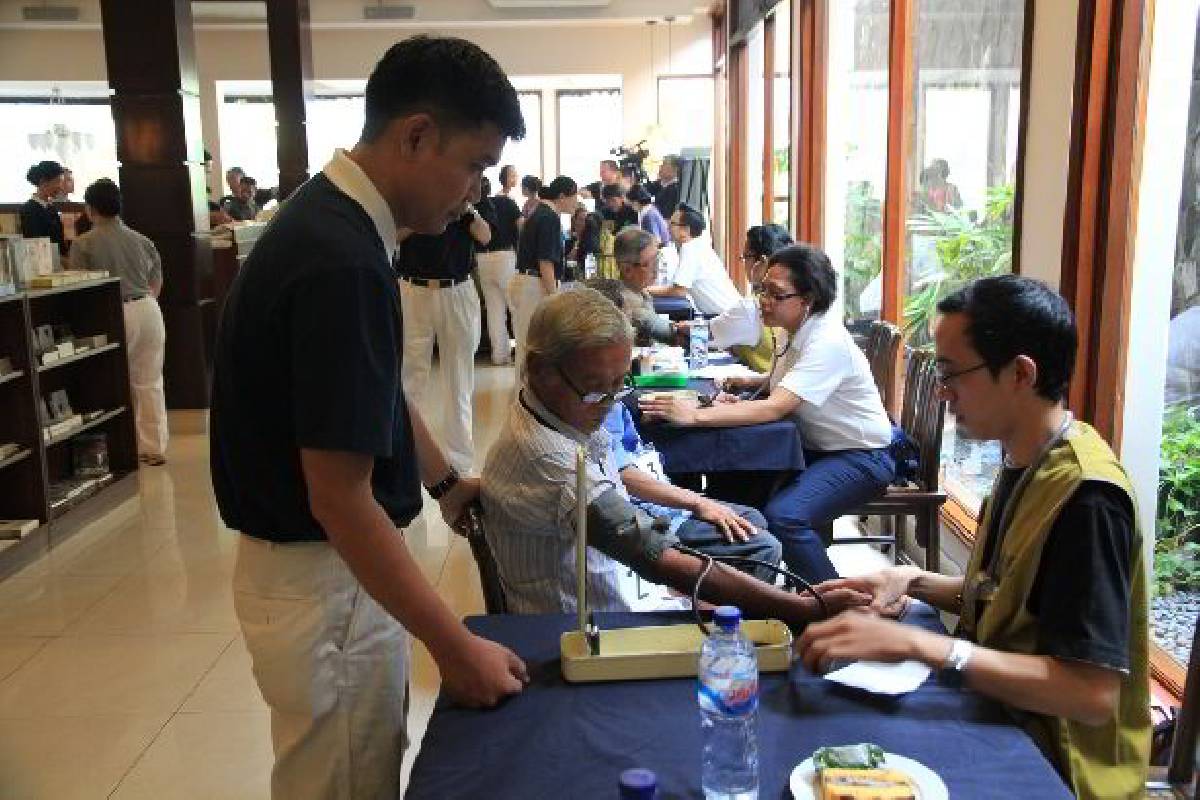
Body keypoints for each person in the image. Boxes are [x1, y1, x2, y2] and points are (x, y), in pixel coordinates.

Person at [209, 36, 530, 800]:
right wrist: (454, 648)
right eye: (474, 166)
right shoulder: (340, 260)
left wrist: (447, 480)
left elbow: (377, 391)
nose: (474, 194)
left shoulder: (337, 225)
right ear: (416, 135)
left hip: (327, 576)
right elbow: (339, 498)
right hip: (329, 580)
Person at [797, 276, 1150, 800]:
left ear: (1020, 373)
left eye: (951, 373)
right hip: (1004, 714)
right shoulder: (1028, 460)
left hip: (1056, 765)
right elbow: (1008, 595)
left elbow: (1090, 694)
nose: (941, 392)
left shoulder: (1087, 498)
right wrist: (909, 579)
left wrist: (924, 644)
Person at [480, 287, 865, 619]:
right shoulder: (552, 461)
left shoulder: (550, 412)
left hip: (610, 598)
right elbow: (653, 554)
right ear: (540, 369)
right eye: (596, 389)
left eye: (619, 387)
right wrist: (795, 606)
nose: (607, 405)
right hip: (584, 630)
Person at [641, 244, 896, 583]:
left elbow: (777, 407)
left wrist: (695, 415)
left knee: (785, 516)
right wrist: (749, 389)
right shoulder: (793, 332)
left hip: (862, 457)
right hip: (816, 449)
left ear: (807, 299)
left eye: (776, 294)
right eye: (762, 290)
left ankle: (831, 606)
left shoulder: (826, 340)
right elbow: (785, 386)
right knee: (741, 486)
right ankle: (743, 589)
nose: (764, 300)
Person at [69, 179, 168, 466]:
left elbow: (80, 287)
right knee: (149, 381)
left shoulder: (83, 243)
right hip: (149, 309)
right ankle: (154, 447)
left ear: (90, 208)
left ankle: (120, 448)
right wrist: (147, 300)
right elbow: (156, 279)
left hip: (113, 313)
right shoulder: (141, 240)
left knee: (112, 382)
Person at [396, 182, 492, 477]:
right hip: (414, 288)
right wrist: (422, 216)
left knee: (459, 379)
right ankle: (405, 457)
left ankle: (460, 462)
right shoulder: (411, 200)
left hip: (457, 289)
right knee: (410, 377)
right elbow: (391, 235)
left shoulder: (464, 206)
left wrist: (464, 211)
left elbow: (486, 237)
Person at [507, 175, 577, 369]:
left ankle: (523, 396)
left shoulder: (541, 213)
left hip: (526, 282)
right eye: (575, 197)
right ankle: (523, 397)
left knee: (526, 345)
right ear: (563, 196)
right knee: (531, 346)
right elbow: (545, 262)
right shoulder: (548, 217)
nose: (576, 203)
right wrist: (555, 297)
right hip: (533, 284)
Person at [709, 224, 794, 373]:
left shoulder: (752, 307)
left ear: (762, 262)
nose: (766, 303)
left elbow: (706, 335)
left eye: (745, 257)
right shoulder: (794, 303)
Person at [649, 203, 740, 315]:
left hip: (727, 317)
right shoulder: (697, 245)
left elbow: (679, 291)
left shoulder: (690, 249)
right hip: (725, 314)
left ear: (686, 230)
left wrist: (645, 290)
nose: (667, 226)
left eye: (672, 223)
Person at [475, 175, 521, 366]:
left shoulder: (474, 208)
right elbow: (521, 227)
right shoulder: (507, 203)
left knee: (494, 309)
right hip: (505, 257)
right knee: (516, 307)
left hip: (482, 258)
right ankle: (521, 354)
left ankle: (499, 356)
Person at [609, 226, 683, 345]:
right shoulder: (627, 301)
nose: (656, 268)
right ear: (627, 270)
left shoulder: (639, 291)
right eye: (649, 263)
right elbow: (674, 335)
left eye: (657, 259)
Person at [20, 160, 68, 257]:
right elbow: (35, 243)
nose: (60, 187)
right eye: (57, 181)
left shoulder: (51, 208)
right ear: (43, 181)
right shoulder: (30, 209)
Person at [645, 154, 681, 219]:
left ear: (675, 170)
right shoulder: (659, 183)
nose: (660, 167)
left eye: (664, 164)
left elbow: (665, 215)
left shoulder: (674, 190)